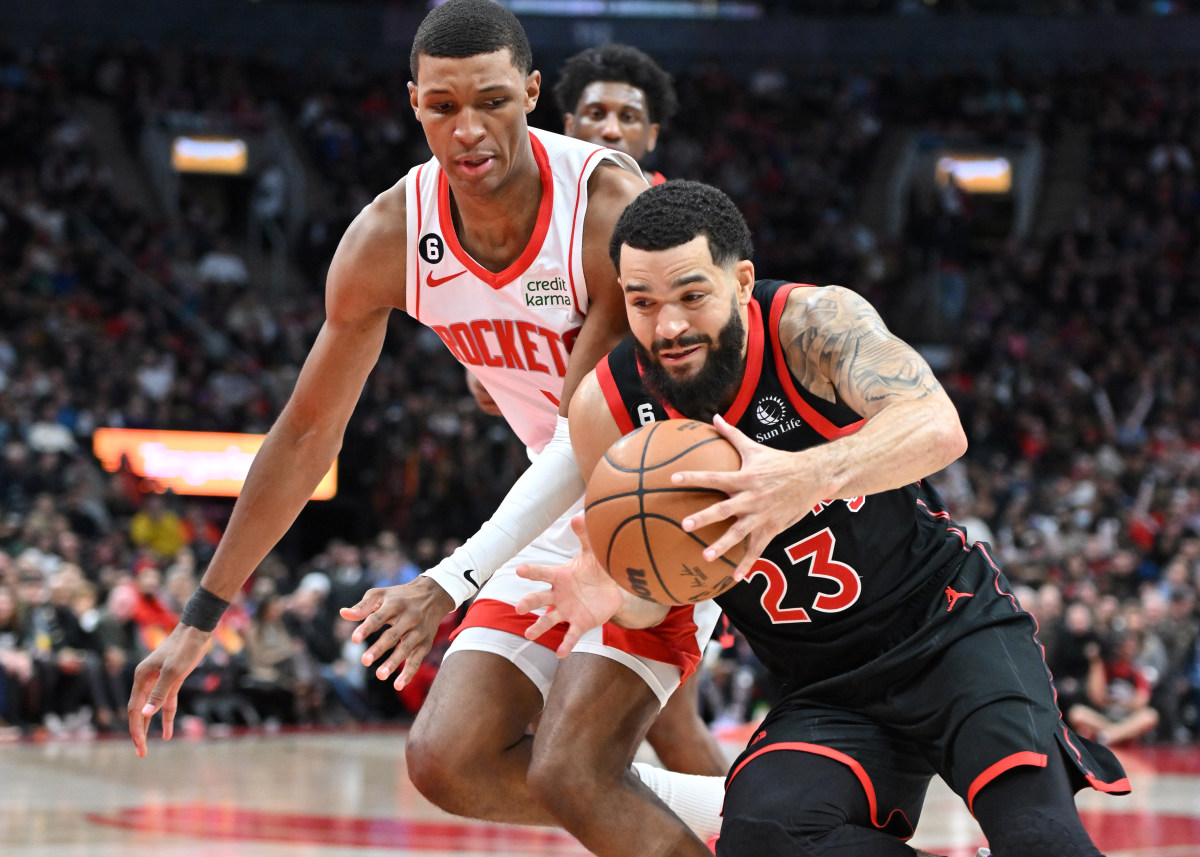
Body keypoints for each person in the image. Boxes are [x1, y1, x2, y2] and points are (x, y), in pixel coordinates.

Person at [129, 3, 720, 856]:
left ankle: (789, 814)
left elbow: (584, 432)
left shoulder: (603, 207)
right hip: (558, 498)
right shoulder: (390, 234)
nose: (469, 129)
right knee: (448, 760)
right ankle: (771, 809)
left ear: (532, 92)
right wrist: (198, 619)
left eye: (492, 100)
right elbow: (303, 437)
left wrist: (450, 579)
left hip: (660, 493)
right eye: (444, 107)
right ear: (414, 104)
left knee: (579, 766)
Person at [516, 180, 1131, 857]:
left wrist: (799, 477)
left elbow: (937, 425)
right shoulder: (608, 408)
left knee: (1041, 840)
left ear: (742, 280)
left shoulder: (812, 325)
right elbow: (654, 599)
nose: (668, 326)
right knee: (762, 837)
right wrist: (620, 593)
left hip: (951, 632)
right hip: (825, 686)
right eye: (643, 302)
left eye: (692, 295)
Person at [463, 41, 721, 778]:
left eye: (628, 117)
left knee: (655, 725)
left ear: (650, 138)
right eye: (594, 113)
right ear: (562, 123)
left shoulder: (660, 222)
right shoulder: (543, 220)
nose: (610, 129)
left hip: (655, 484)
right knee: (605, 736)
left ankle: (753, 833)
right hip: (570, 489)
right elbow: (492, 377)